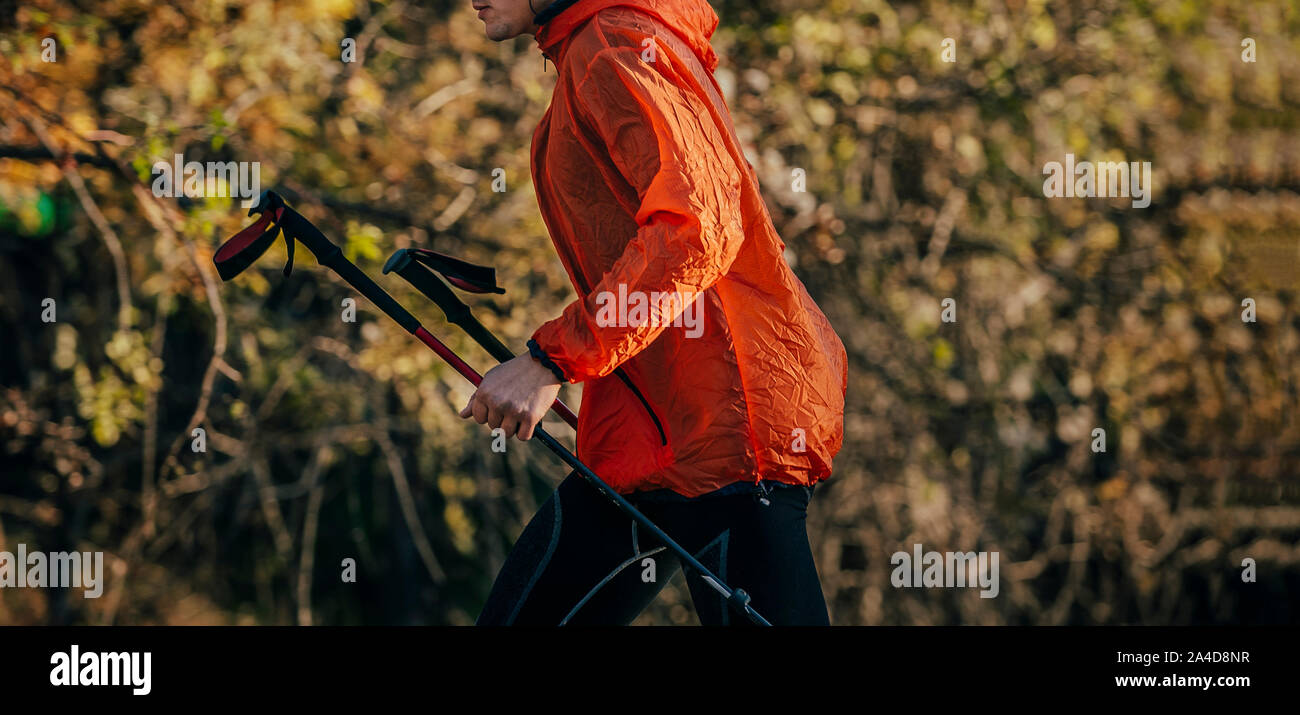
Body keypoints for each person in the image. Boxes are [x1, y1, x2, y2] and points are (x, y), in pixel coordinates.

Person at [463, 0, 848, 625]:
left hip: (724, 440)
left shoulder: (611, 46)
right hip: (652, 444)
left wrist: (549, 360)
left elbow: (698, 229)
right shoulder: (593, 52)